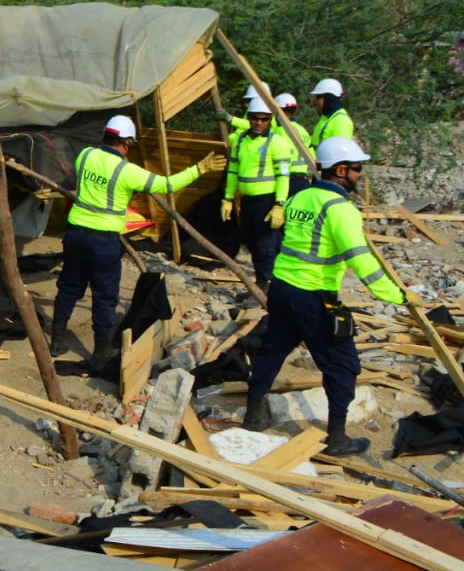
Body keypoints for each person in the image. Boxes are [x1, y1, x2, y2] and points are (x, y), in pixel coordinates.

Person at [243, 137, 414, 456]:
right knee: (342, 365)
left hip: (281, 289)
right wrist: (399, 296)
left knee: (272, 349)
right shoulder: (341, 210)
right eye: (357, 169)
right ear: (341, 170)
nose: (360, 175)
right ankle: (336, 438)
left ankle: (253, 415)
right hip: (314, 297)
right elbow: (361, 260)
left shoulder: (299, 198)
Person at [52, 116, 226, 366]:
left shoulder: (85, 156)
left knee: (69, 286)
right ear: (125, 142)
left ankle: (56, 340)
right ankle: (100, 352)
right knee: (104, 296)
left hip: (76, 234)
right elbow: (167, 184)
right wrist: (199, 169)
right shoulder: (127, 171)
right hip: (104, 241)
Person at [221, 96, 293, 291]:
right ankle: (266, 283)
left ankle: (265, 285)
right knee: (251, 241)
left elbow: (283, 176)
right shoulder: (241, 140)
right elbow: (233, 171)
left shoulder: (276, 142)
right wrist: (228, 198)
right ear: (249, 117)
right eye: (255, 118)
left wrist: (279, 204)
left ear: (270, 120)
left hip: (267, 201)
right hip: (247, 201)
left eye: (264, 119)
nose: (259, 123)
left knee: (266, 245)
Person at [275, 92, 315, 197]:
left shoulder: (279, 131)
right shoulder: (303, 130)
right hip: (303, 180)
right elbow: (312, 157)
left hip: (287, 180)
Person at [308, 78, 354, 147]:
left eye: (318, 97)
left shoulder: (340, 121)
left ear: (329, 98)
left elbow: (338, 154)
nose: (315, 101)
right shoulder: (326, 119)